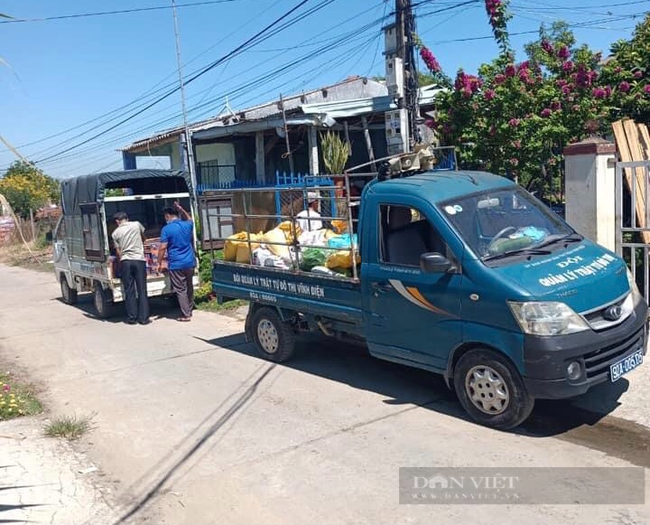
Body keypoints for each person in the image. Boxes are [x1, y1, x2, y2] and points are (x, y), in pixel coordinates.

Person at [157, 202, 196, 322]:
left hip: (176, 263)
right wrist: (182, 209)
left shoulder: (166, 229)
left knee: (180, 289)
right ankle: (189, 308)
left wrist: (159, 263)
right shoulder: (186, 225)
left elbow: (163, 247)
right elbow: (190, 219)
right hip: (190, 262)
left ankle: (186, 314)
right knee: (189, 287)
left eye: (165, 216)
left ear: (168, 216)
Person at [111, 212, 150, 325]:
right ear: (127, 219)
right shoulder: (137, 225)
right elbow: (143, 238)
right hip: (139, 260)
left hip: (126, 261)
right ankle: (144, 319)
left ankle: (132, 318)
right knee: (142, 290)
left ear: (117, 221)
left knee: (129, 290)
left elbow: (118, 252)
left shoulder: (115, 233)